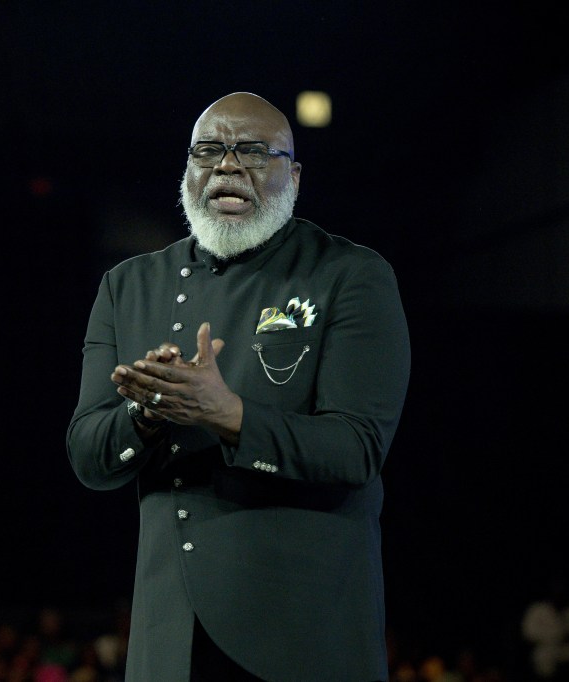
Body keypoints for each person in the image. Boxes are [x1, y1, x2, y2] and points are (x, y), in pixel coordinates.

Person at [66, 91, 412, 681]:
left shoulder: (350, 274)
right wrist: (146, 415)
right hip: (168, 638)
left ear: (294, 176)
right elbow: (89, 456)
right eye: (209, 150)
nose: (228, 165)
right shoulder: (128, 286)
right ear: (188, 171)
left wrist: (228, 414)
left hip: (301, 638)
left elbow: (357, 449)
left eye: (253, 151)